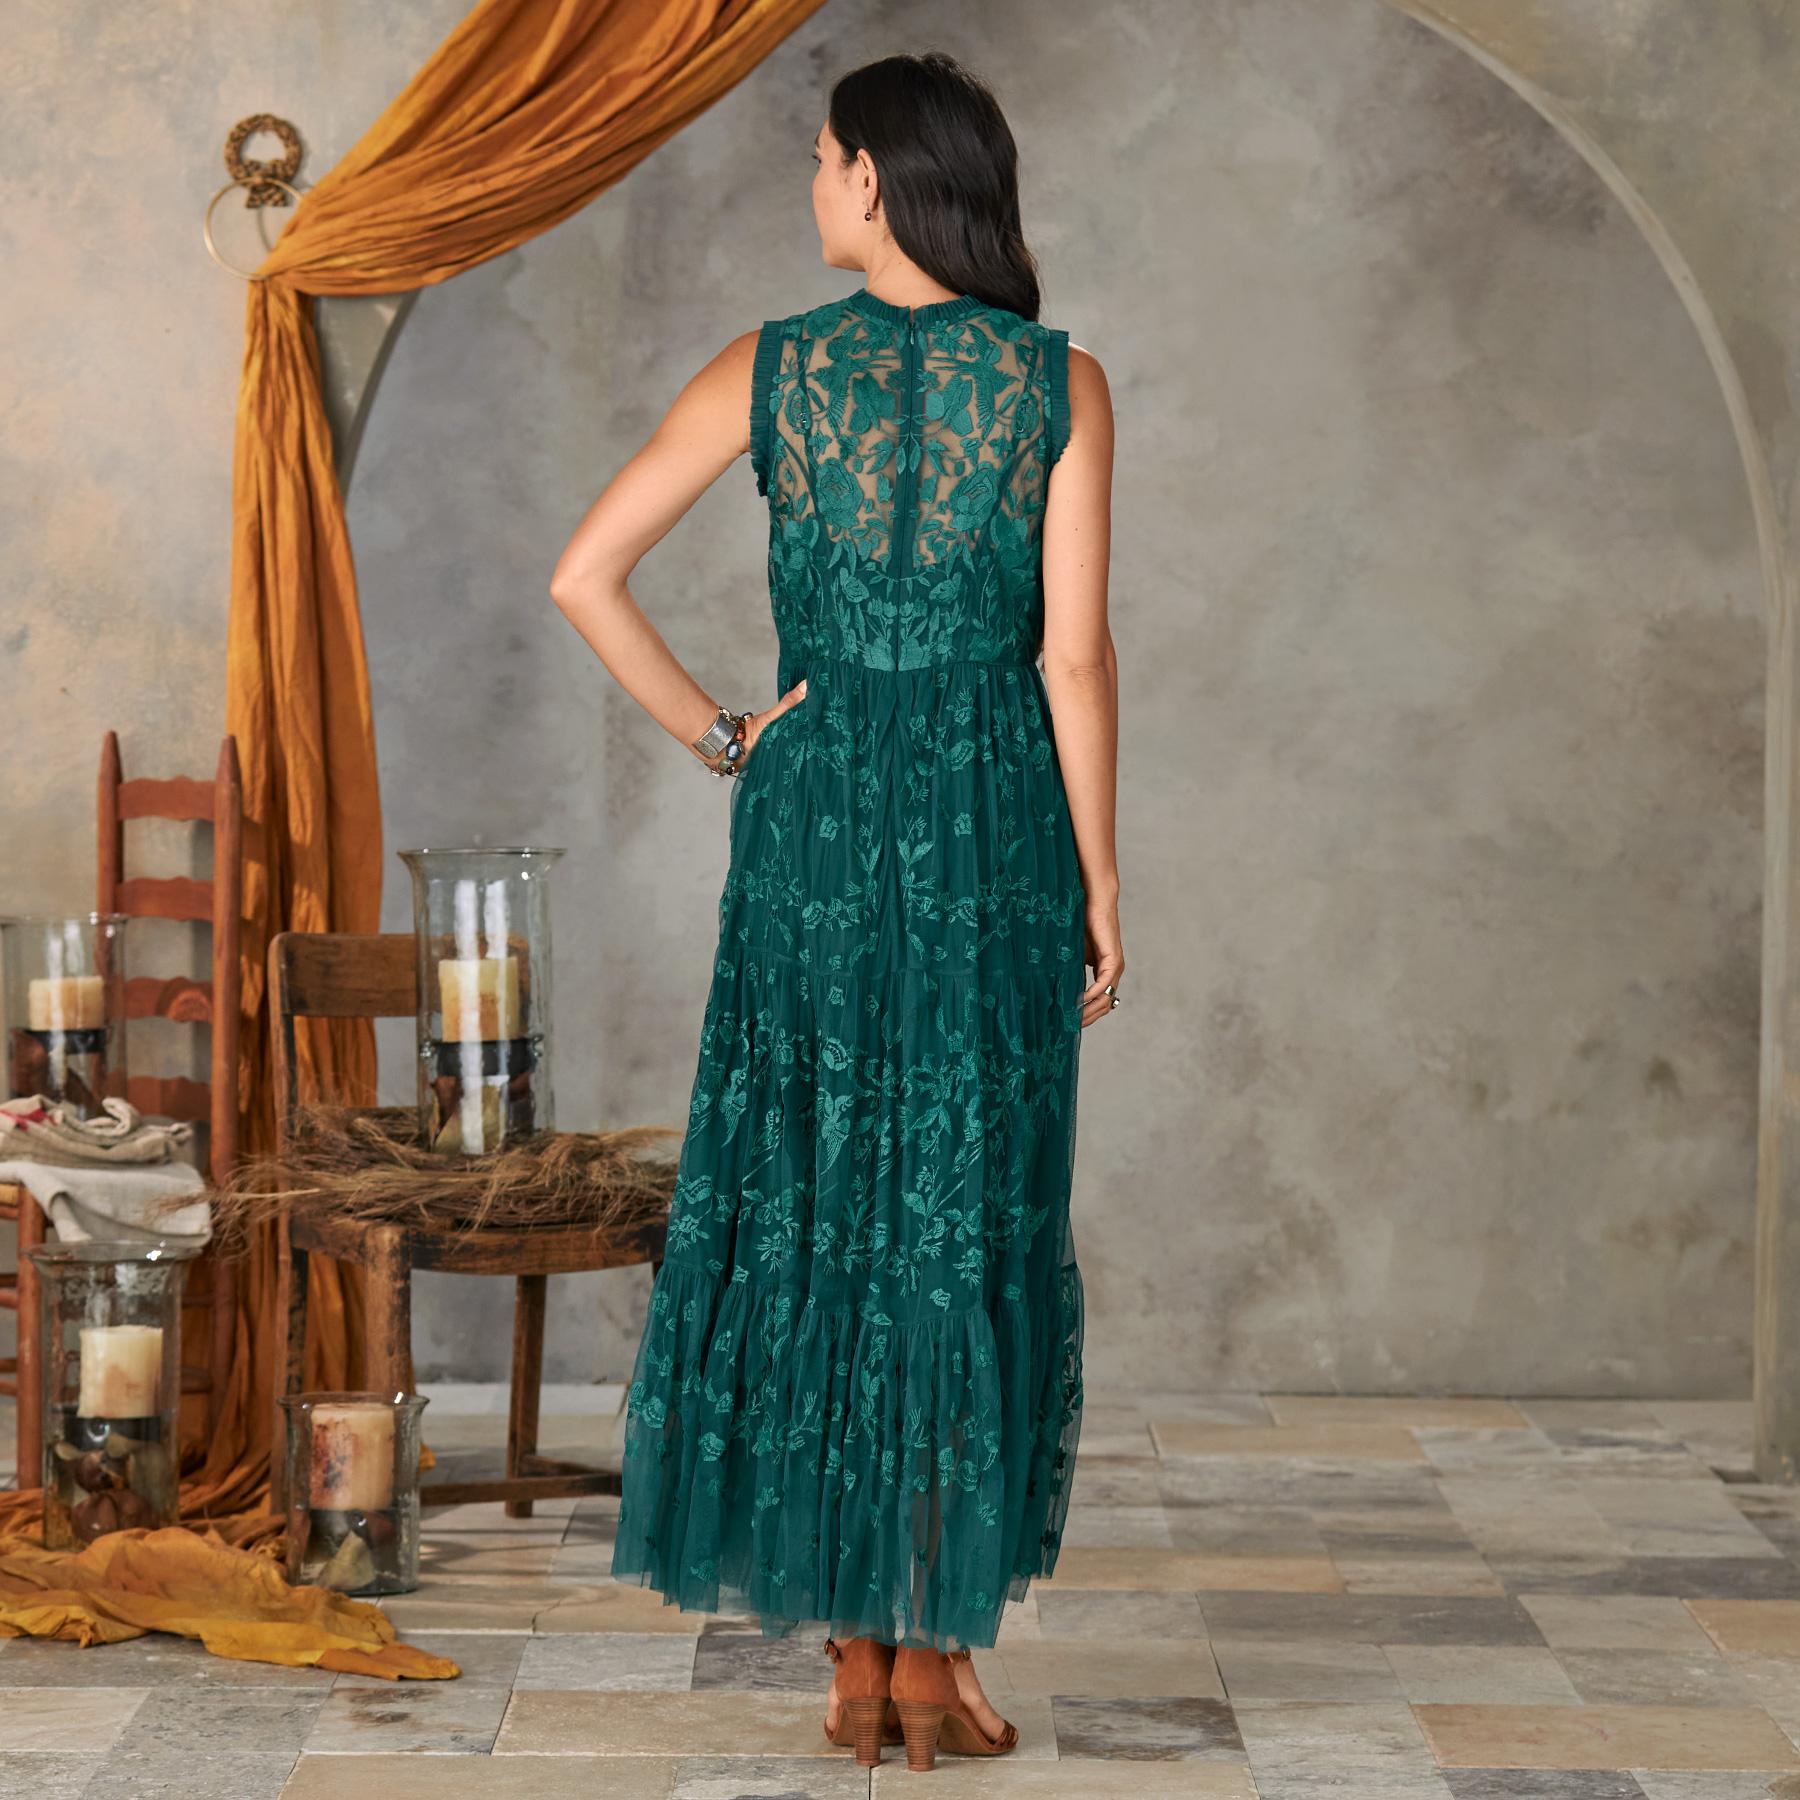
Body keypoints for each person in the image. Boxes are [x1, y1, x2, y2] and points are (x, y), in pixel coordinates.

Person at [549, 48, 1122, 1771]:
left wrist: (728, 734)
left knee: (816, 1208)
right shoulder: (1063, 384)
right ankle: (936, 1661)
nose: (810, 185)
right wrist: (1103, 878)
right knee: (963, 1216)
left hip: (810, 827)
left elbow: (584, 575)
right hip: (994, 832)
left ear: (874, 177)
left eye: (819, 158)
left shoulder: (768, 370)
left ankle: (858, 1661)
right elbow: (1073, 659)